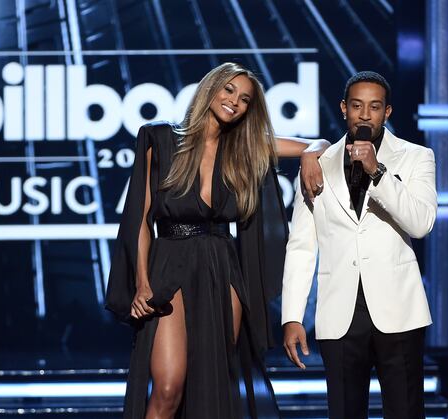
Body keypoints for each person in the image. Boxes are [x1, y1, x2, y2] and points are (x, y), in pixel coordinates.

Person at [106, 62, 329, 419]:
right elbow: (140, 221)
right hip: (169, 265)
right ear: (211, 88)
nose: (234, 102)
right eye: (229, 90)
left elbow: (322, 144)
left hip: (221, 269)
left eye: (244, 99)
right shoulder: (160, 139)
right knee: (167, 387)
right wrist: (142, 283)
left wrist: (310, 156)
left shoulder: (245, 148)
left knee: (212, 385)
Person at [281, 71, 437, 419]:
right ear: (343, 108)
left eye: (375, 106)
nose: (365, 114)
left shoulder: (416, 157)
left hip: (400, 312)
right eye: (357, 105)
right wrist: (292, 316)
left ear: (388, 112)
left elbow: (421, 223)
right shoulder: (316, 164)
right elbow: (302, 247)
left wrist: (377, 172)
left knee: (406, 412)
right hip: (340, 315)